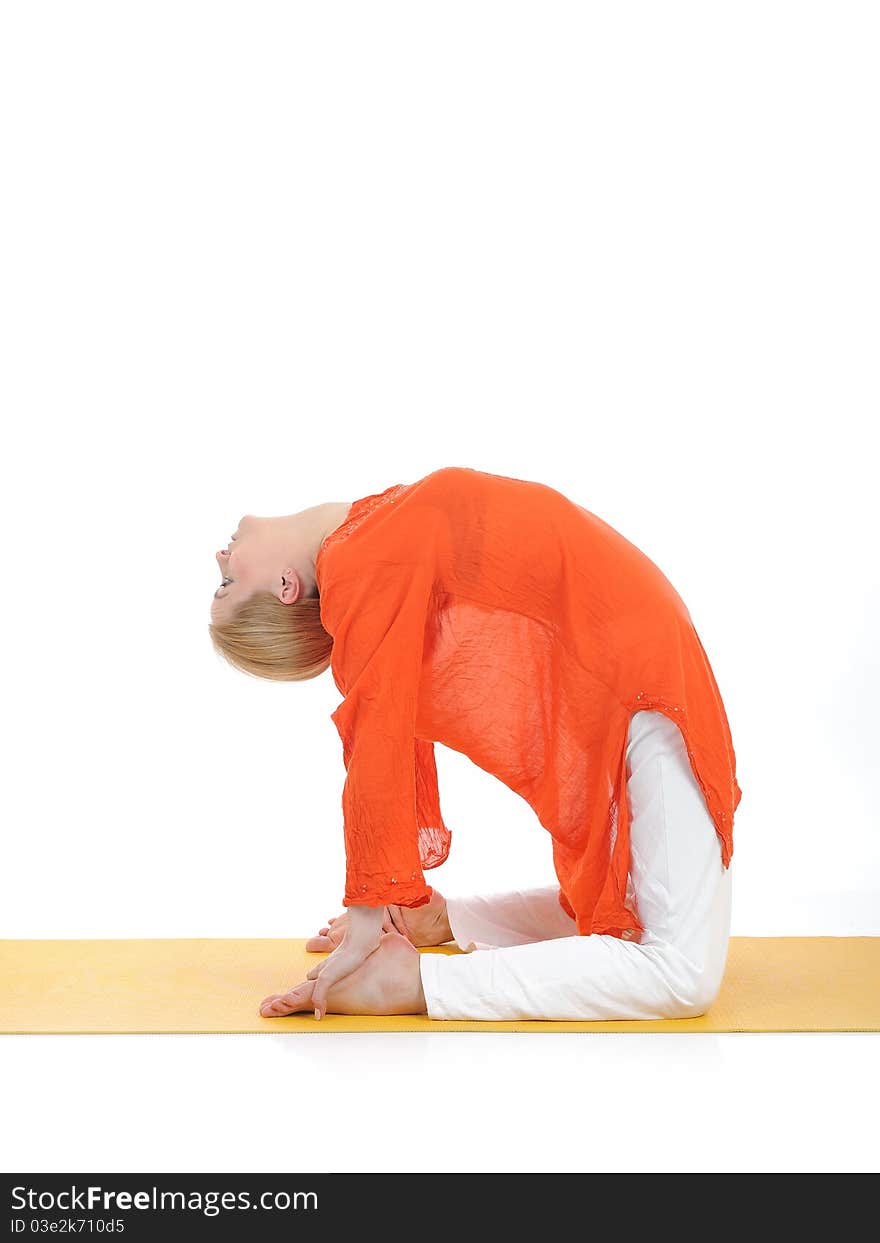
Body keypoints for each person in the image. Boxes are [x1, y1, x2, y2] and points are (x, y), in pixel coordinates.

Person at [209, 466, 742, 1022]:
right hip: (642, 691)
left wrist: (380, 909)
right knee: (680, 971)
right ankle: (419, 969)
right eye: (227, 585)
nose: (218, 561)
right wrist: (369, 919)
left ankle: (426, 957)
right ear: (286, 587)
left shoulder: (366, 538)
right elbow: (379, 735)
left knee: (652, 941)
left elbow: (384, 727)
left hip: (640, 683)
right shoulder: (359, 561)